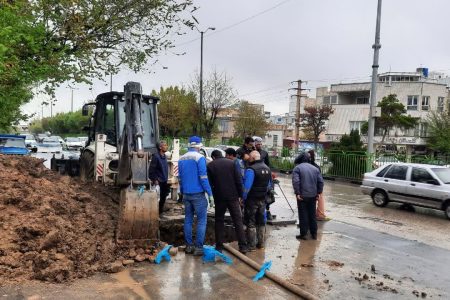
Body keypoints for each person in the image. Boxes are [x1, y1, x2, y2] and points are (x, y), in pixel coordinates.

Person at [207, 150, 248, 254]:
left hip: (219, 197)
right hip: (233, 197)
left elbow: (210, 184)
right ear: (222, 155)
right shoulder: (232, 163)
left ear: (213, 157)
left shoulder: (211, 165)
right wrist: (241, 196)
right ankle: (243, 246)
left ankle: (219, 246)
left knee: (219, 220)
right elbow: (238, 181)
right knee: (238, 220)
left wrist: (212, 196)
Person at [178, 136, 213, 256]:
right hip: (198, 194)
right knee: (202, 221)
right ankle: (198, 248)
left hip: (186, 194)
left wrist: (182, 192)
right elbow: (203, 177)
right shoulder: (200, 158)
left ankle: (188, 246)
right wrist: (210, 194)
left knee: (188, 220)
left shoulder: (181, 158)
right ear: (199, 146)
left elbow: (180, 178)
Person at [243, 151, 272, 251]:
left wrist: (243, 197)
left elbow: (247, 187)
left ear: (253, 158)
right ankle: (261, 244)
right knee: (261, 221)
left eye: (250, 157)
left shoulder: (251, 169)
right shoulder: (268, 169)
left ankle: (251, 246)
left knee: (251, 222)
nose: (249, 159)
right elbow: (269, 186)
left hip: (252, 200)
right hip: (262, 200)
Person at [292, 152, 324, 240]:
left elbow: (296, 182)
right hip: (313, 195)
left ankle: (304, 234)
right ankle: (314, 234)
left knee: (303, 215)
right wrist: (318, 193)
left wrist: (297, 193)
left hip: (302, 195)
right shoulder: (315, 169)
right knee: (312, 215)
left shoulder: (297, 168)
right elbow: (321, 182)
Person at [253, 136, 274, 220]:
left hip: (265, 175)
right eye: (258, 143)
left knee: (268, 193)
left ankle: (267, 211)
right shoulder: (252, 153)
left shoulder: (264, 153)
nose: (259, 145)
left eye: (260, 144)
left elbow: (268, 165)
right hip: (256, 175)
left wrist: (270, 175)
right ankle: (255, 212)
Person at [308, 149, 330, 221]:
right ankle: (320, 214)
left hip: (309, 187)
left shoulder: (304, 166)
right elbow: (320, 180)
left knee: (310, 200)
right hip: (317, 186)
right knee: (320, 198)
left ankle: (312, 214)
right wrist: (320, 190)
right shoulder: (316, 167)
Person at [148, 140, 170, 214]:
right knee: (157, 198)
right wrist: (155, 179)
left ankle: (160, 211)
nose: (166, 146)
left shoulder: (164, 156)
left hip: (164, 180)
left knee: (163, 197)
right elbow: (151, 170)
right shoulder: (156, 157)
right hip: (158, 181)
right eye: (165, 145)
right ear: (160, 147)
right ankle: (155, 212)